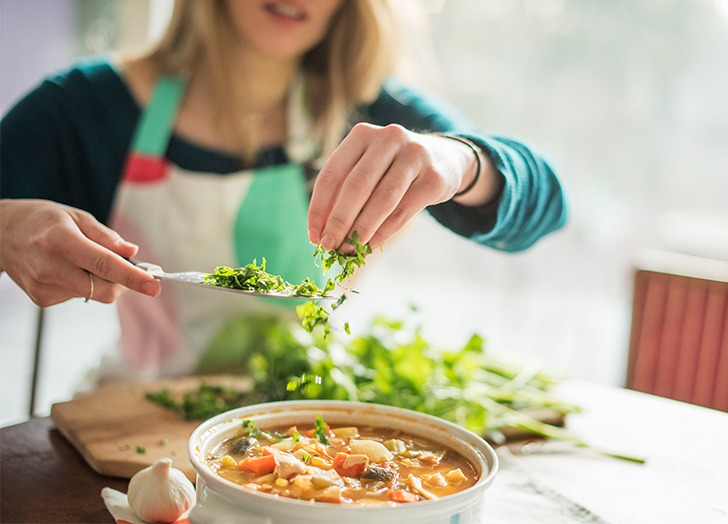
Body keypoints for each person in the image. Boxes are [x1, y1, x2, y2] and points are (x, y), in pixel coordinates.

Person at [0, 0, 566, 381]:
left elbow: (549, 204)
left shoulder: (372, 108)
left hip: (308, 431)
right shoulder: (89, 107)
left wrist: (460, 160)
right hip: (134, 426)